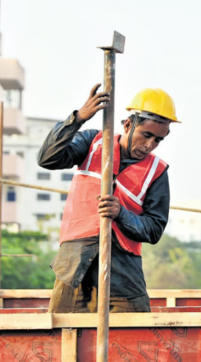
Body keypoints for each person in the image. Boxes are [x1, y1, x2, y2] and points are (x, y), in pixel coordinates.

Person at [38, 84, 179, 313]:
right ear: (127, 124)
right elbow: (48, 159)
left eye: (158, 140)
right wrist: (78, 119)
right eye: (146, 135)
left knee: (132, 336)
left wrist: (121, 214)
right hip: (74, 262)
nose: (149, 145)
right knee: (63, 334)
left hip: (123, 270)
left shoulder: (157, 171)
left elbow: (154, 230)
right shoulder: (93, 143)